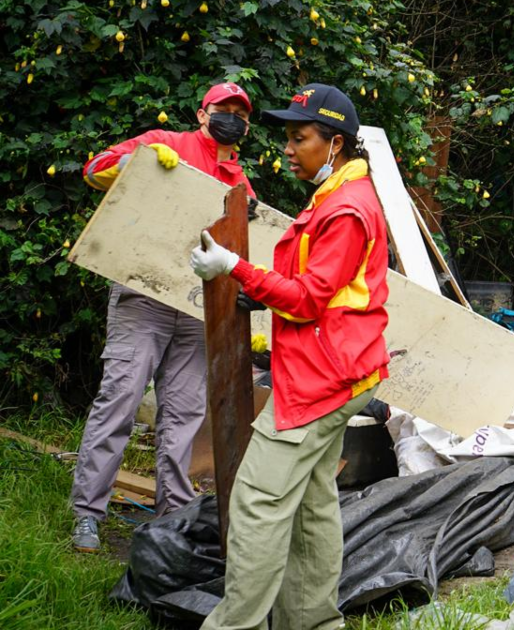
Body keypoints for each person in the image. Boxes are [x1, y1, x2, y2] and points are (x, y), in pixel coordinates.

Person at [189, 83, 390, 629]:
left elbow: (308, 298)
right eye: (287, 137)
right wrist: (267, 285)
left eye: (299, 138)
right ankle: (314, 622)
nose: (287, 148)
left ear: (336, 143)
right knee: (309, 504)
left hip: (322, 382)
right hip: (341, 369)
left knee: (256, 502)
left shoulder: (346, 208)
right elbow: (318, 283)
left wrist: (237, 268)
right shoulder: (337, 195)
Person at [71, 82, 256, 553]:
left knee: (185, 415)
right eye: (223, 109)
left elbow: (250, 242)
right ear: (202, 114)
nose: (231, 118)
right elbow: (93, 168)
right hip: (145, 295)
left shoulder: (240, 180)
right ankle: (88, 515)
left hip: (197, 309)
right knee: (120, 400)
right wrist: (136, 164)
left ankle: (170, 519)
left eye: (240, 113)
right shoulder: (166, 144)